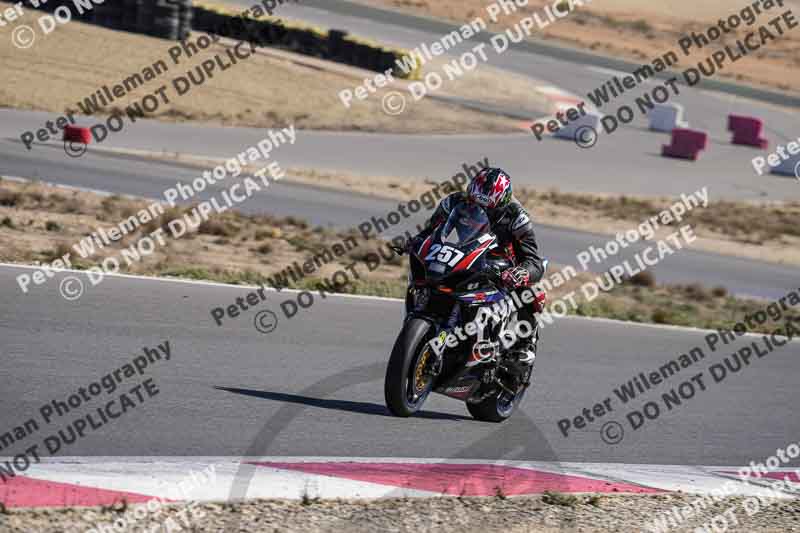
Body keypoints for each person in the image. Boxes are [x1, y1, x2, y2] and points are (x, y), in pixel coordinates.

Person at [408, 167, 546, 370]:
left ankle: (525, 344)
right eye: (475, 202)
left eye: (487, 207)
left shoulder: (517, 217)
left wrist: (521, 272)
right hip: (467, 254)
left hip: (502, 265)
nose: (479, 209)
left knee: (531, 291)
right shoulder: (454, 202)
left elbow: (533, 260)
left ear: (502, 202)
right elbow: (431, 231)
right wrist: (416, 243)